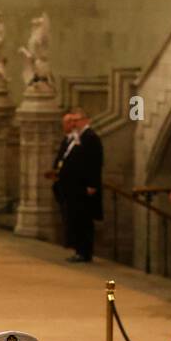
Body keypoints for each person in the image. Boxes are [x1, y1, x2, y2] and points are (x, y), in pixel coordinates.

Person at [56, 107, 102, 263]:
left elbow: (95, 163)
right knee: (75, 218)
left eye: (77, 120)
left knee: (84, 219)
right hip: (73, 187)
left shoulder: (91, 137)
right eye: (72, 120)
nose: (74, 123)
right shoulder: (77, 137)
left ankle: (84, 251)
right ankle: (78, 249)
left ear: (86, 121)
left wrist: (92, 184)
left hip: (84, 187)